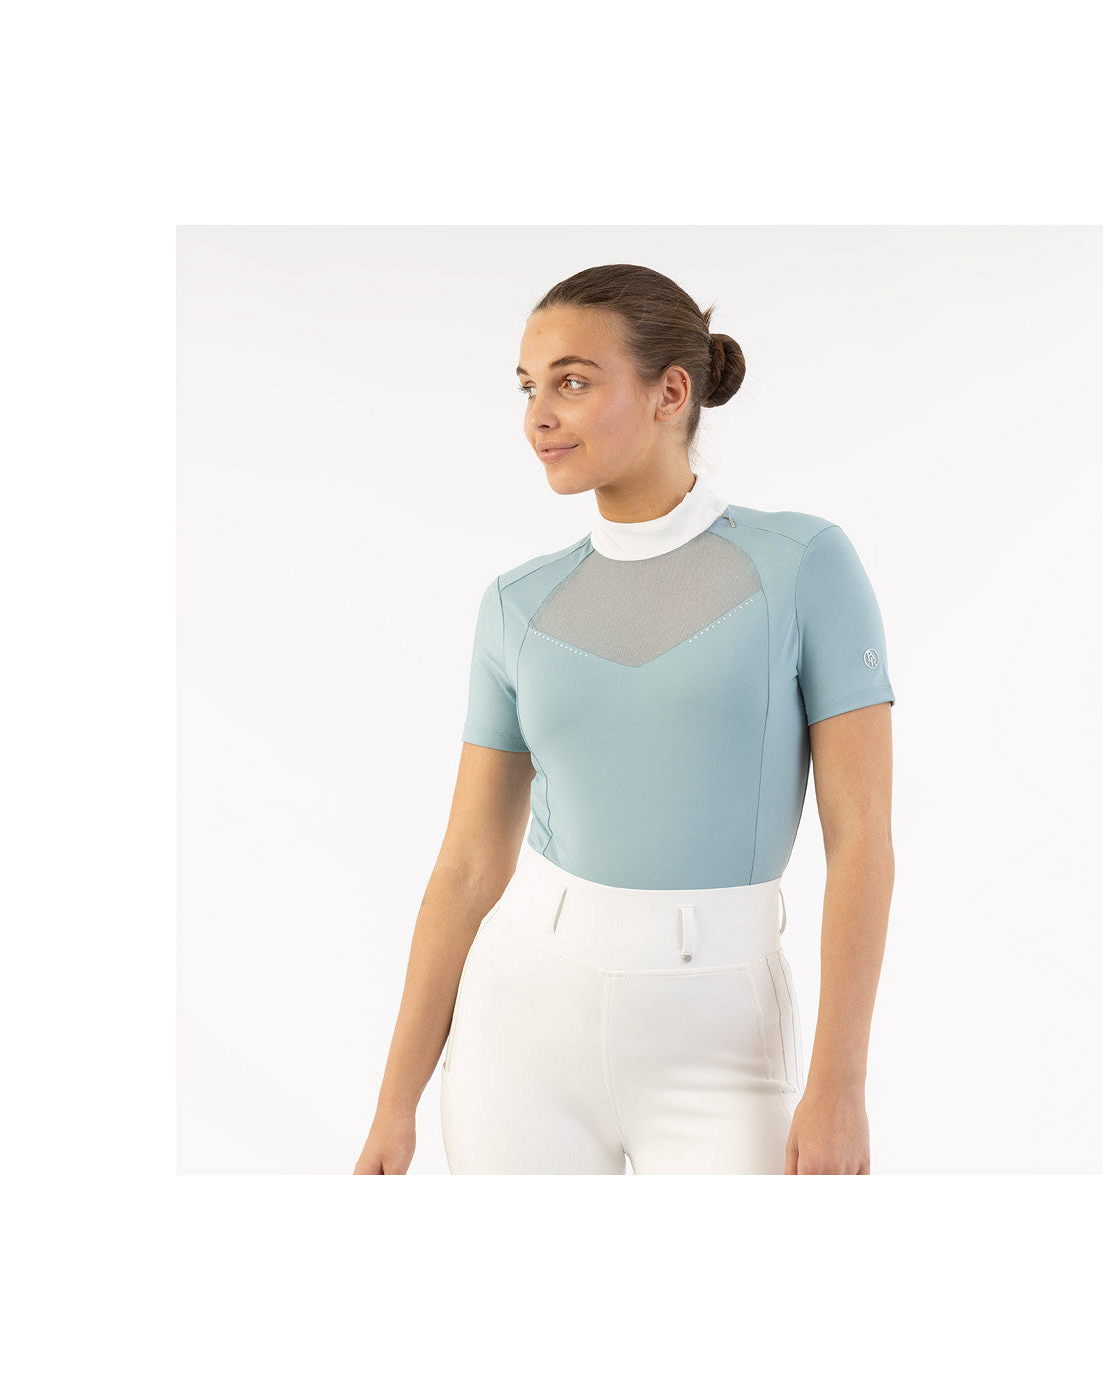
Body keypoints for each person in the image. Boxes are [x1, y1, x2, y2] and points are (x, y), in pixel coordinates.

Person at [354, 264, 895, 1175]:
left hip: (722, 1039)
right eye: (528, 388)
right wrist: (391, 1103)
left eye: (572, 382)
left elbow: (863, 841)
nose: (539, 416)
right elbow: (469, 865)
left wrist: (840, 1084)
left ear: (670, 393)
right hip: (521, 1032)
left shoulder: (803, 565)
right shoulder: (517, 605)